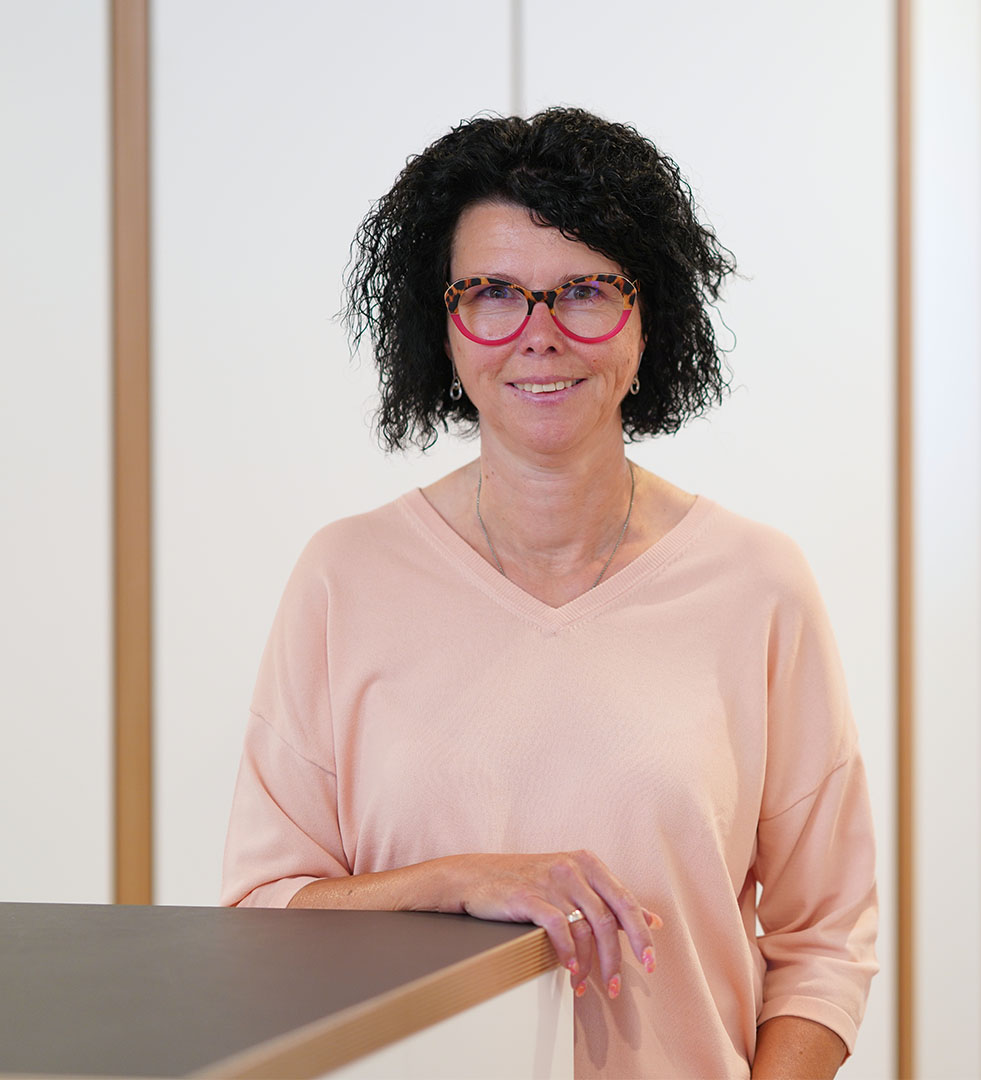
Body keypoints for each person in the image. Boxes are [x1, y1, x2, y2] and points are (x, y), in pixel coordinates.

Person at [221, 108, 878, 1079]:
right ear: (443, 326)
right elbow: (263, 912)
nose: (539, 334)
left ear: (648, 319)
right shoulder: (341, 578)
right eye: (493, 293)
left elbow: (826, 941)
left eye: (584, 291)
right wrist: (459, 882)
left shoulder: (760, 585)